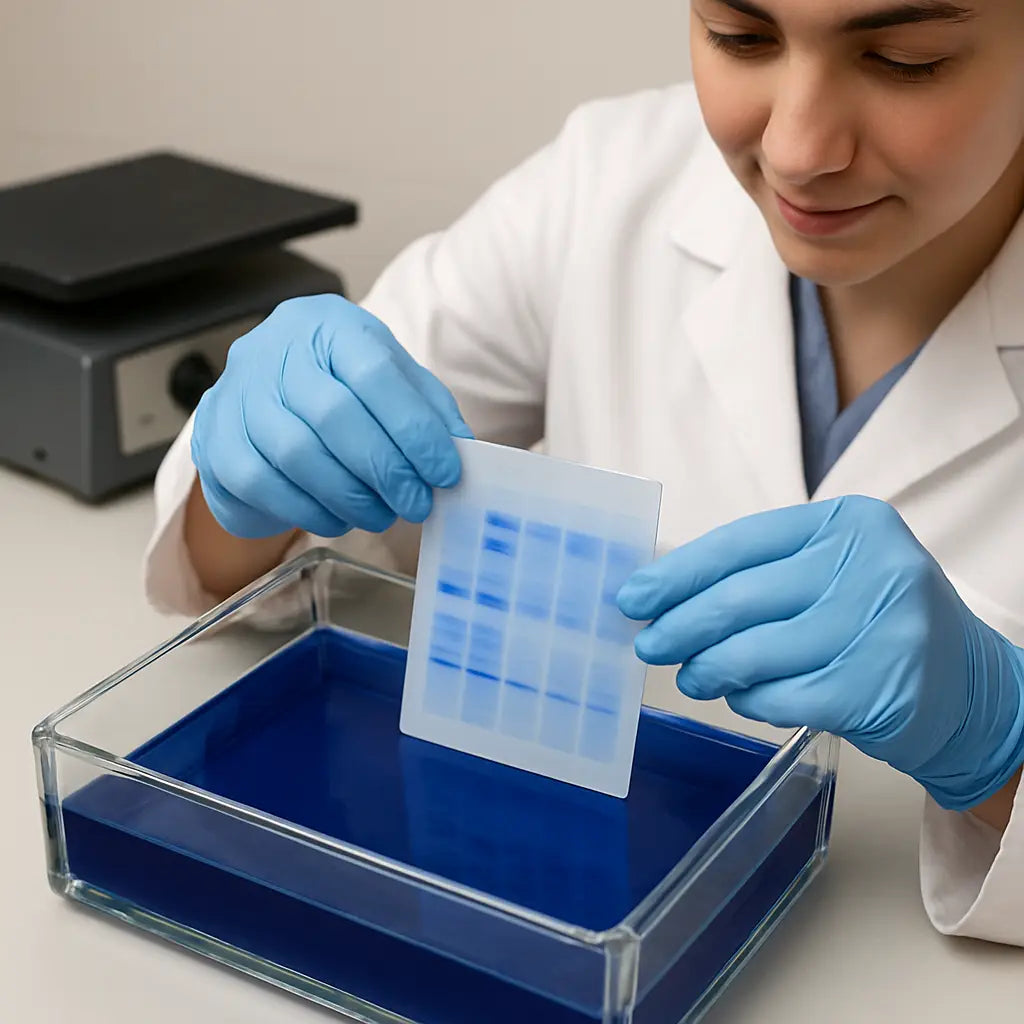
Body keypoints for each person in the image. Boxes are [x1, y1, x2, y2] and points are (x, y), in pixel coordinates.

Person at [145, 0, 1024, 945]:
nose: (801, 147)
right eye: (741, 36)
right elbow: (236, 554)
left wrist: (999, 742)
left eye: (904, 58)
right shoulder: (612, 179)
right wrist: (260, 467)